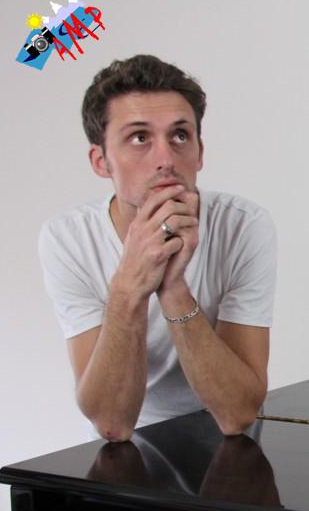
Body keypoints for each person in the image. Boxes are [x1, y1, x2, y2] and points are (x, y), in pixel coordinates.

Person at [39, 54, 276, 441]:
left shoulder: (244, 226)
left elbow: (238, 413)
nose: (166, 159)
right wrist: (129, 285)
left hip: (228, 434)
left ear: (200, 153)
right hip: (129, 438)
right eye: (139, 138)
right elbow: (112, 423)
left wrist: (173, 288)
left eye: (180, 136)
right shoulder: (67, 239)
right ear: (101, 161)